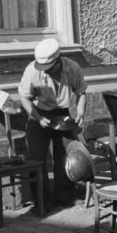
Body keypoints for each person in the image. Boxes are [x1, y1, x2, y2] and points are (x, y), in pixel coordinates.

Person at [18, 38, 87, 209]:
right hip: (38, 113)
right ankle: (42, 202)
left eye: (48, 67)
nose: (45, 71)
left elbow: (81, 92)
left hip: (62, 114)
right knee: (36, 159)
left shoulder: (72, 68)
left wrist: (80, 113)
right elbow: (24, 98)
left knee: (65, 156)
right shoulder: (31, 71)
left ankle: (64, 197)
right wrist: (38, 117)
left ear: (58, 62)